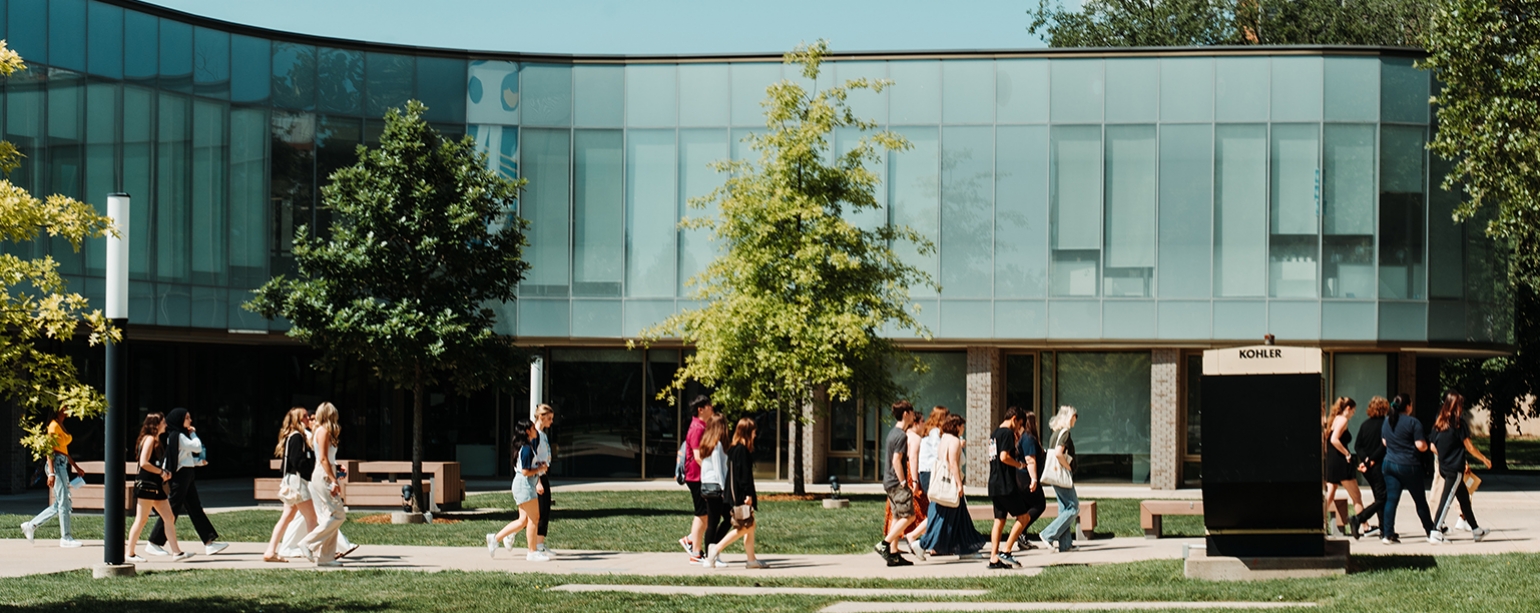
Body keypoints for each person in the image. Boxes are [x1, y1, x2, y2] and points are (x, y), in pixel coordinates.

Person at [147, 408, 227, 556]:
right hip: (181, 477)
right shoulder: (179, 436)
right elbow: (196, 447)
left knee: (194, 507)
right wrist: (193, 433)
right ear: (179, 420)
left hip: (186, 474)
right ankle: (154, 542)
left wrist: (197, 463)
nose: (190, 421)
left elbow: (182, 458)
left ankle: (209, 542)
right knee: (172, 509)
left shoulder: (177, 436)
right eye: (187, 418)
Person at [916, 413, 986, 558]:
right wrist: (959, 485)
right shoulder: (954, 441)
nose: (963, 429)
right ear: (956, 426)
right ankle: (922, 544)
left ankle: (966, 549)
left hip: (942, 484)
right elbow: (953, 464)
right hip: (951, 485)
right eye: (962, 426)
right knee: (945, 519)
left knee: (960, 518)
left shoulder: (944, 439)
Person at [126, 413, 194, 562]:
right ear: (156, 424)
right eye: (163, 422)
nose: (166, 424)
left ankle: (177, 552)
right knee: (141, 519)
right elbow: (144, 463)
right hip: (147, 484)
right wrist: (161, 472)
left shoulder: (153, 439)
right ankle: (129, 553)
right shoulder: (150, 439)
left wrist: (161, 473)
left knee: (169, 517)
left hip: (154, 484)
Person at [1430, 391, 1493, 543]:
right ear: (1456, 406)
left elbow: (1432, 446)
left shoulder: (1439, 423)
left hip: (1444, 467)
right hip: (1454, 469)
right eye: (1460, 405)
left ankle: (1476, 530)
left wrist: (1445, 455)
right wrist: (1484, 459)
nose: (1462, 408)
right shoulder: (1459, 423)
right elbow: (1469, 447)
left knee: (1464, 499)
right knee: (1446, 500)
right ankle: (1435, 532)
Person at [19, 406, 85, 548]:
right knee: (64, 502)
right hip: (56, 465)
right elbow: (49, 450)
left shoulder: (60, 425)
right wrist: (52, 472)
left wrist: (76, 467)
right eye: (65, 406)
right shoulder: (53, 426)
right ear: (58, 409)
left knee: (59, 504)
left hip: (62, 463)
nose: (68, 408)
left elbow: (64, 451)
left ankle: (31, 525)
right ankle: (66, 537)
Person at [705, 417, 766, 569]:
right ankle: (716, 548)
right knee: (743, 527)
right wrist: (748, 495)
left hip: (735, 494)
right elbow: (744, 476)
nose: (755, 435)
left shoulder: (734, 449)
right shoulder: (742, 451)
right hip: (741, 495)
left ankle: (751, 560)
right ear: (747, 432)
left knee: (749, 526)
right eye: (753, 432)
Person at [1379, 393, 1438, 545]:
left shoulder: (1387, 421)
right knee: (1420, 501)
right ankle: (1430, 531)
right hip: (1409, 465)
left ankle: (1387, 533)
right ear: (1408, 406)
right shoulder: (1413, 422)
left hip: (1389, 463)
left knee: (1391, 500)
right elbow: (1421, 446)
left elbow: (1385, 442)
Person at [487, 419, 549, 561]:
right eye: (533, 428)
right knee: (534, 518)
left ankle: (495, 539)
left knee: (523, 520)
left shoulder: (525, 447)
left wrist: (538, 465)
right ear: (527, 431)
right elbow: (526, 471)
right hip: (525, 485)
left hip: (522, 484)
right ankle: (532, 552)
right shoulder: (526, 448)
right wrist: (540, 468)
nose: (536, 430)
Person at [264, 408, 318, 563]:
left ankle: (270, 551)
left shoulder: (291, 436)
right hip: (298, 482)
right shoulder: (297, 437)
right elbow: (297, 461)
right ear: (298, 420)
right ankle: (313, 550)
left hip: (291, 481)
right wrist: (310, 471)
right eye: (305, 417)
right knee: (312, 517)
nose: (308, 419)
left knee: (286, 517)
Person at [298, 402, 347, 566]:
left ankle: (326, 557)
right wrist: (334, 479)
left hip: (325, 472)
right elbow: (324, 459)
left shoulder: (321, 431)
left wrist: (336, 470)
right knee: (339, 514)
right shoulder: (323, 431)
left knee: (330, 516)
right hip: (323, 475)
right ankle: (308, 543)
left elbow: (328, 459)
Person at [987, 407, 1034, 569]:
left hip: (993, 482)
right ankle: (1006, 551)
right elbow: (1004, 457)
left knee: (999, 520)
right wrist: (1020, 464)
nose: (1019, 428)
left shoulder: (995, 434)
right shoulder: (1007, 432)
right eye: (1019, 424)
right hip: (1005, 483)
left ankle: (993, 558)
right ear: (1014, 419)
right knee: (1024, 518)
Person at [874, 401, 919, 567]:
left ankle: (893, 554)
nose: (914, 415)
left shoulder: (892, 433)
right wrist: (903, 482)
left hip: (888, 481)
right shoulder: (901, 435)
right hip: (896, 481)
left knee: (898, 516)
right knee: (909, 516)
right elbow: (896, 460)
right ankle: (884, 544)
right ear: (906, 414)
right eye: (912, 412)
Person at [885, 415, 930, 558]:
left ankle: (893, 547)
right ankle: (894, 543)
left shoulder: (899, 434)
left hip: (898, 478)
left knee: (896, 514)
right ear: (915, 422)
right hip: (907, 476)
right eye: (922, 421)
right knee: (916, 512)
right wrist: (915, 481)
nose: (924, 424)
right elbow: (913, 459)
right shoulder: (915, 438)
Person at [678, 395, 716, 564]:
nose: (712, 408)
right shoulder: (697, 428)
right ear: (701, 409)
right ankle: (694, 550)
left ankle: (693, 543)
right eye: (709, 406)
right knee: (702, 513)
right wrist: (712, 472)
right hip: (696, 476)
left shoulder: (701, 426)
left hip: (699, 476)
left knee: (705, 513)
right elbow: (697, 456)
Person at [1039, 405, 1080, 553]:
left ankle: (1066, 544)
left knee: (1064, 509)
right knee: (1074, 507)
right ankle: (1047, 534)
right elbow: (1058, 453)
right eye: (1075, 416)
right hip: (1062, 474)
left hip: (1054, 475)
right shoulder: (1065, 434)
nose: (1076, 419)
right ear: (1069, 417)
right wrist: (1068, 467)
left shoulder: (1054, 434)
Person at [1349, 396, 1391, 539]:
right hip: (1379, 465)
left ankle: (1384, 529)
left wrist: (1365, 460)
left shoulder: (1364, 425)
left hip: (1367, 469)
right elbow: (1383, 446)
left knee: (1379, 497)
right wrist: (1372, 460)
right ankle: (1358, 519)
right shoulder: (1386, 424)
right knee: (1382, 498)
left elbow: (1358, 446)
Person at [1324, 397, 1365, 537]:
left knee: (1330, 493)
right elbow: (1334, 439)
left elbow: (1328, 441)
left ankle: (1322, 523)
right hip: (1341, 460)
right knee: (1356, 495)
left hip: (1331, 459)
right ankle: (1364, 525)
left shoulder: (1333, 419)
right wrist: (1347, 453)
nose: (1353, 414)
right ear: (1348, 409)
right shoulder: (1343, 420)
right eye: (1353, 411)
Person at [697, 414, 732, 568]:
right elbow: (719, 470)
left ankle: (711, 553)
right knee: (725, 518)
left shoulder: (707, 443)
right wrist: (725, 489)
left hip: (707, 485)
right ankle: (712, 554)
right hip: (716, 487)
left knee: (715, 521)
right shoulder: (717, 445)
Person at [1014, 410, 1048, 553]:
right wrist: (1034, 479)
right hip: (1026, 477)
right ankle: (1020, 531)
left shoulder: (1022, 437)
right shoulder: (1029, 438)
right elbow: (1030, 460)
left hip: (1020, 476)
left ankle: (1022, 537)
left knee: (1026, 507)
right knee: (1039, 504)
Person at [533, 404, 556, 555]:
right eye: (549, 418)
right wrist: (537, 481)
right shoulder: (535, 435)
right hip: (538, 476)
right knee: (538, 513)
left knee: (544, 510)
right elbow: (532, 458)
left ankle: (540, 543)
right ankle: (537, 545)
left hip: (543, 474)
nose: (551, 422)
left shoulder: (542, 434)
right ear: (541, 417)